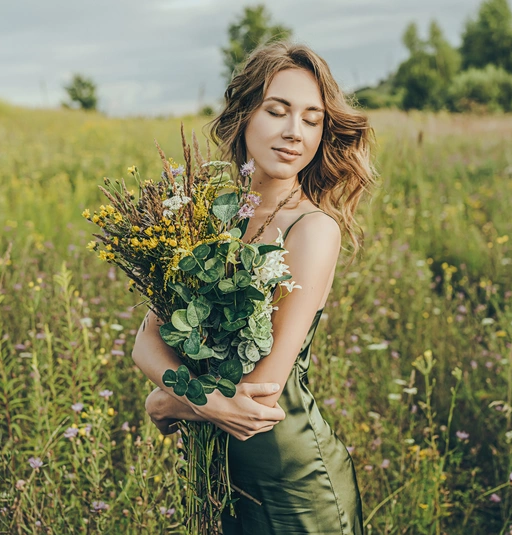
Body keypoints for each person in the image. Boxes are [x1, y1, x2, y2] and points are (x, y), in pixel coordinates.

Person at [132, 39, 377, 534]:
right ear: (244, 114)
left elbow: (262, 392)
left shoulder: (311, 229)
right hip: (214, 469)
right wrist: (210, 403)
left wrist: (170, 401)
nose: (294, 133)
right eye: (277, 111)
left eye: (312, 119)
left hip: (292, 483)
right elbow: (146, 342)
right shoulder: (205, 217)